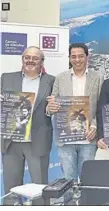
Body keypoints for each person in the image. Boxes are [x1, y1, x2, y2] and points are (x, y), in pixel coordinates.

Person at [0, 46, 55, 205]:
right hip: (11, 141)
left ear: (42, 62)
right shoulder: (6, 78)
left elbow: (53, 109)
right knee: (11, 189)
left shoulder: (51, 81)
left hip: (37, 140)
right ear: (22, 59)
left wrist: (51, 109)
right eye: (27, 57)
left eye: (35, 58)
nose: (30, 61)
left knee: (40, 188)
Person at [46, 43, 103, 181]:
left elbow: (100, 107)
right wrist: (50, 109)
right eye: (74, 56)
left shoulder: (97, 77)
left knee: (87, 179)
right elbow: (50, 106)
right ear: (69, 58)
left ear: (87, 57)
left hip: (88, 138)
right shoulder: (60, 78)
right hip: (66, 139)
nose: (77, 60)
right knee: (68, 180)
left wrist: (95, 126)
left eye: (81, 56)